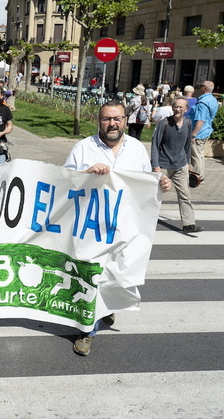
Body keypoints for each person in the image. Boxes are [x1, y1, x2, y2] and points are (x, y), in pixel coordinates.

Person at [64, 100, 171, 356]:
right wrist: (87, 174)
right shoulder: (84, 148)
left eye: (117, 119)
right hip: (92, 228)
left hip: (125, 227)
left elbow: (145, 184)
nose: (112, 124)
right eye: (106, 119)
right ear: (98, 121)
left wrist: (161, 184)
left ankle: (107, 306)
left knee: (118, 272)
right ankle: (86, 331)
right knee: (91, 276)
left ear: (125, 121)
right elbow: (65, 182)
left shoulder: (135, 149)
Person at [151, 97, 203, 234]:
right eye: (176, 107)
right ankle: (147, 219)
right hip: (163, 165)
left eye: (181, 107)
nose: (178, 109)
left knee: (185, 194)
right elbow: (155, 145)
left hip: (180, 165)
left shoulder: (188, 123)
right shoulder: (164, 123)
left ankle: (189, 224)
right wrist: (155, 165)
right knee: (156, 194)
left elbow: (187, 145)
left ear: (186, 109)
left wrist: (188, 163)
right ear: (172, 108)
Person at [186, 81, 219, 183]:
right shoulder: (212, 100)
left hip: (199, 132)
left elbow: (200, 120)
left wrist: (193, 135)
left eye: (201, 86)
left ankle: (196, 177)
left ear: (204, 88)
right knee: (199, 155)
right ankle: (200, 175)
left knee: (195, 155)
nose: (199, 88)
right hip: (206, 130)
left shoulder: (203, 103)